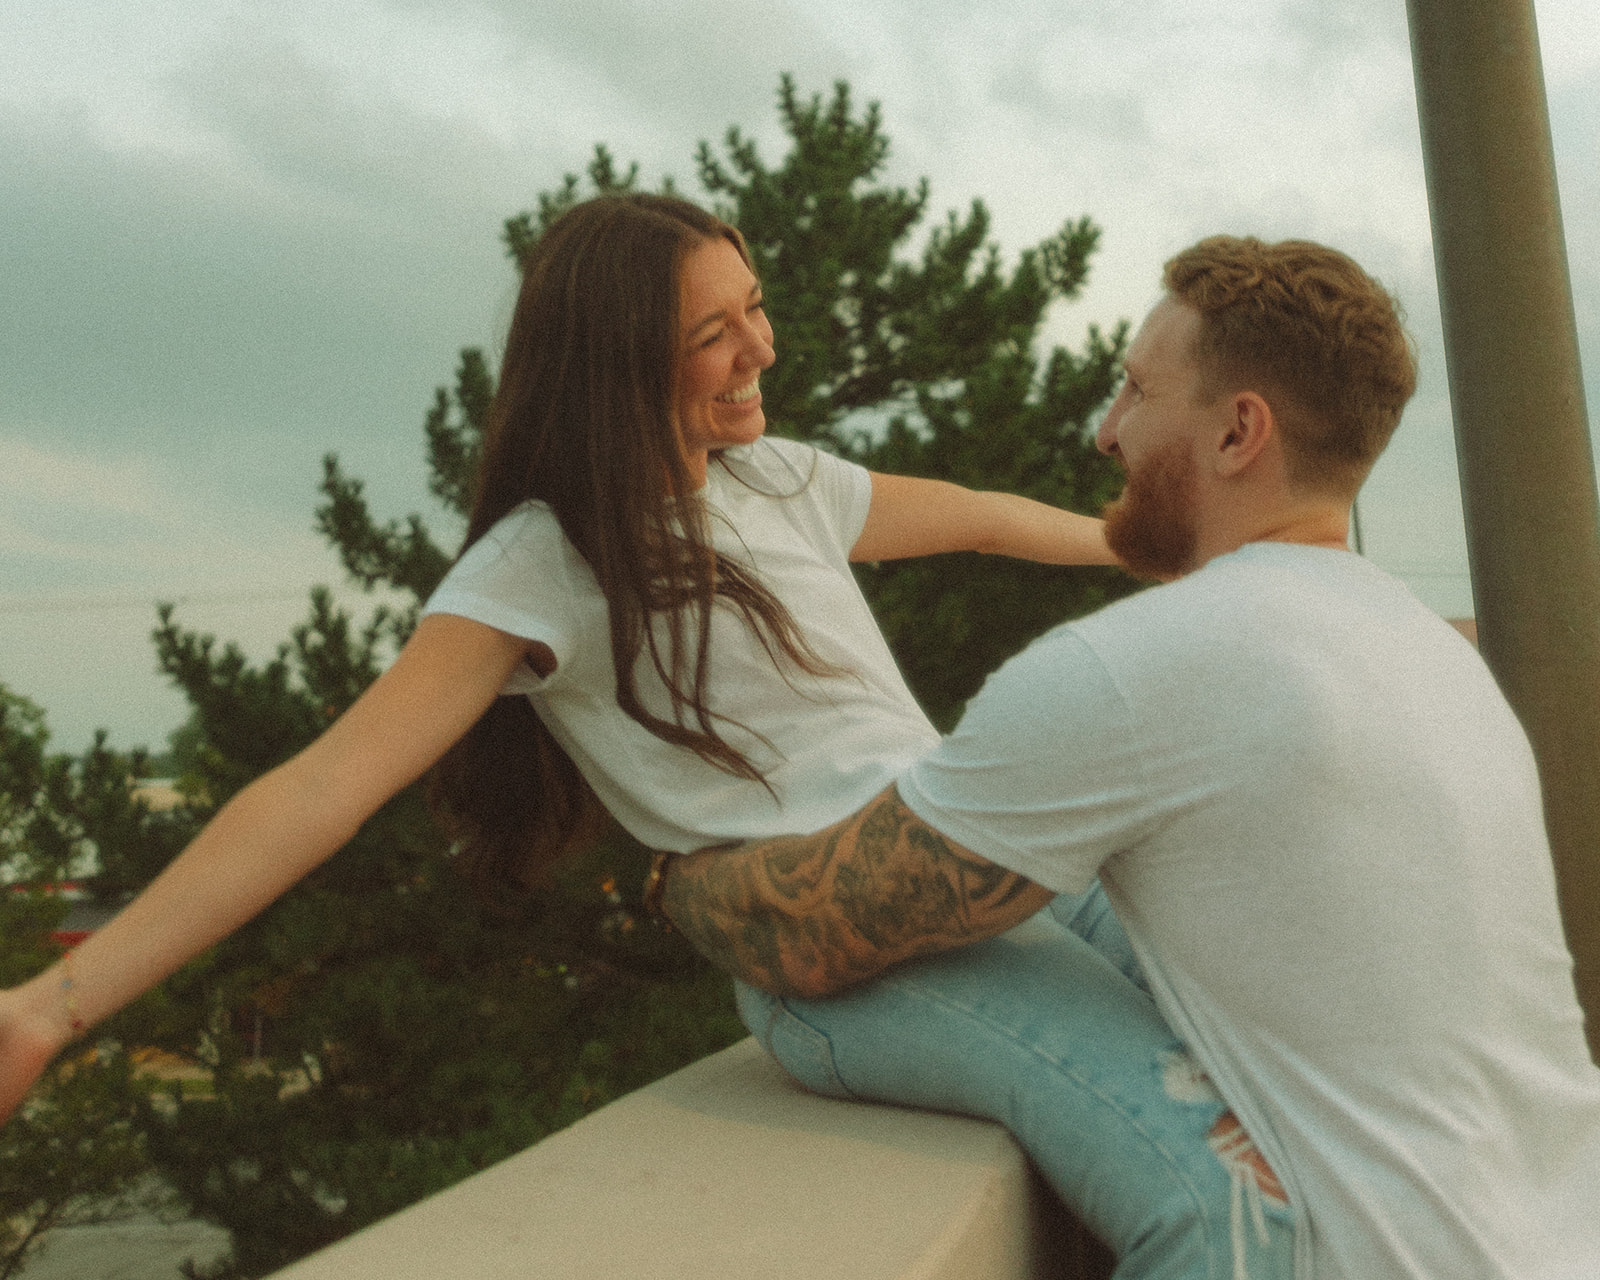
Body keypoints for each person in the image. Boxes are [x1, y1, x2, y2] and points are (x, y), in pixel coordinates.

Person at [0, 195, 1287, 1279]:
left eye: (756, 310)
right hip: (851, 964)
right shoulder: (545, 562)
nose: (760, 352)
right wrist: (55, 1004)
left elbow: (981, 517)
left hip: (979, 877)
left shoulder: (776, 481)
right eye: (714, 335)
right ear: (617, 359)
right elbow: (322, 786)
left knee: (1295, 1037)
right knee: (1227, 1204)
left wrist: (1150, 550)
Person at [659, 234, 1600, 1279]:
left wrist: (681, 873)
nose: (1106, 431)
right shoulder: (1437, 659)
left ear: (1239, 430)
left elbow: (813, 930)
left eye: (1135, 390)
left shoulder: (1138, 668)